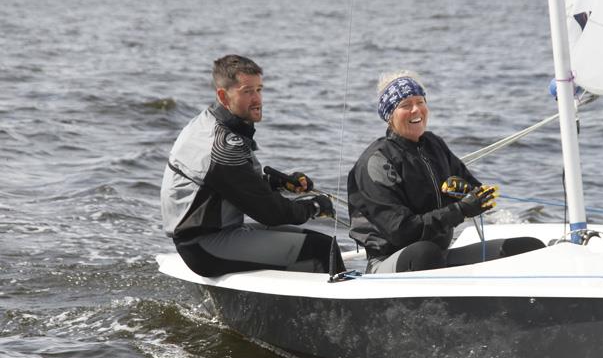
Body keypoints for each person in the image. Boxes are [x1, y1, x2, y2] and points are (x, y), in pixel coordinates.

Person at [160, 54, 344, 276]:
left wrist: (276, 183)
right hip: (205, 246)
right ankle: (337, 310)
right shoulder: (223, 148)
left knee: (320, 241)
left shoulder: (206, 122)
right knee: (323, 250)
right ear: (223, 95)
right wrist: (313, 207)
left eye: (259, 89)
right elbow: (271, 213)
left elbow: (225, 186)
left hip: (211, 235)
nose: (257, 100)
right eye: (247, 91)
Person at [347, 71, 544, 273]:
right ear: (390, 116)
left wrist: (470, 194)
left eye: (420, 102)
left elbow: (475, 192)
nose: (416, 110)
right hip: (391, 260)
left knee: (527, 247)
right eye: (405, 105)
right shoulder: (377, 161)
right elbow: (401, 231)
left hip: (439, 255)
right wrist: (460, 210)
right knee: (425, 252)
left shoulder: (434, 145)